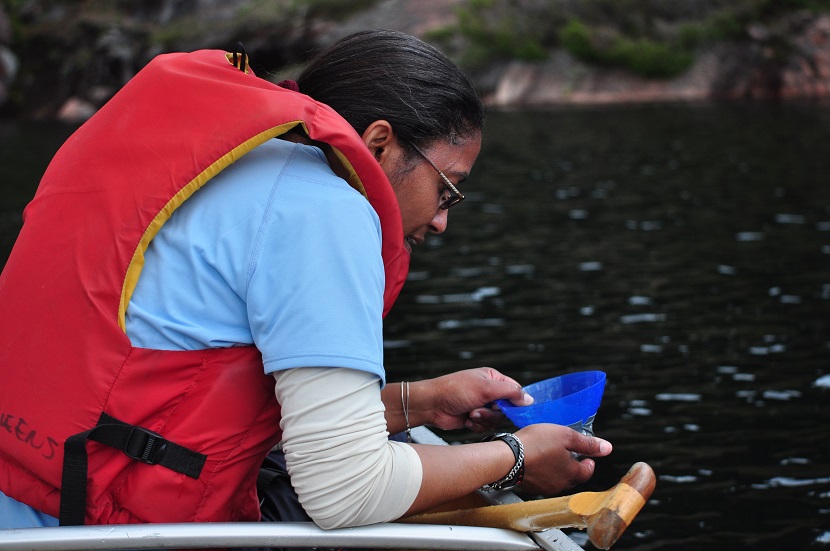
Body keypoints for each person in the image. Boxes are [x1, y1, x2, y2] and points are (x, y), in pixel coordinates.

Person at [0, 30, 612, 530]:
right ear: (379, 143)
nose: (442, 220)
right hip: (105, 528)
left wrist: (420, 402)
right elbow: (346, 491)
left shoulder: (237, 161)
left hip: (32, 497)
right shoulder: (323, 209)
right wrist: (516, 458)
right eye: (446, 188)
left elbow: (190, 405)